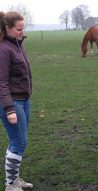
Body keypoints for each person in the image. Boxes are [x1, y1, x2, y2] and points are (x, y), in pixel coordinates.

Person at [0, 11, 33, 191]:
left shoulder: (16, 45)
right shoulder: (4, 49)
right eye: (19, 29)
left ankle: (14, 179)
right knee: (19, 142)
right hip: (12, 103)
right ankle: (11, 185)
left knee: (18, 141)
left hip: (23, 100)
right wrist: (9, 109)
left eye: (23, 28)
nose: (22, 32)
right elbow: (1, 82)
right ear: (7, 28)